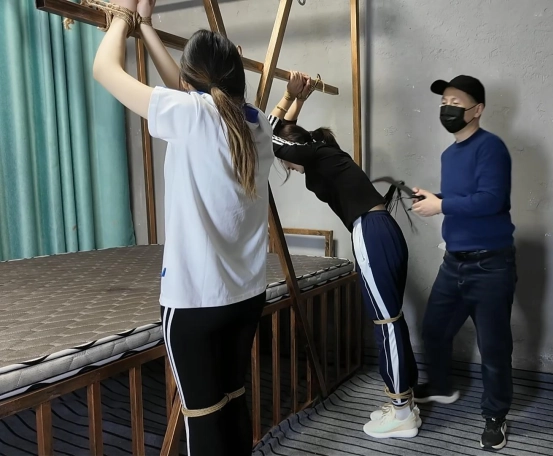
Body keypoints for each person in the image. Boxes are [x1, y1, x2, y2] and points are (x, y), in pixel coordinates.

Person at [92, 1, 276, 454]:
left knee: (204, 418)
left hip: (195, 303)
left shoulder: (191, 115)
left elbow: (104, 69)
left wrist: (122, 17)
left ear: (192, 82)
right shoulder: (257, 124)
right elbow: (188, 88)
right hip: (246, 298)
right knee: (232, 402)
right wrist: (147, 27)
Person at [264, 73, 421, 439]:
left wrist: (286, 96)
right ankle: (403, 402)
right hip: (385, 229)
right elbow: (288, 133)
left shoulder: (312, 152)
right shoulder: (321, 150)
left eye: (288, 163)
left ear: (293, 152)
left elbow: (266, 133)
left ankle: (402, 413)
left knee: (385, 322)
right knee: (392, 318)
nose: (290, 168)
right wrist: (299, 101)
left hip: (370, 232)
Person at [411, 75, 517, 451]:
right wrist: (436, 196)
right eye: (444, 102)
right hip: (453, 263)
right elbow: (464, 197)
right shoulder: (449, 154)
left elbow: (491, 199)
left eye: (456, 102)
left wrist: (441, 205)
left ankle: (495, 416)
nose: (447, 108)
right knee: (434, 330)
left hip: (490, 265)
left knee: (494, 348)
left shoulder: (491, 147)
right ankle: (442, 386)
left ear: (477, 109)